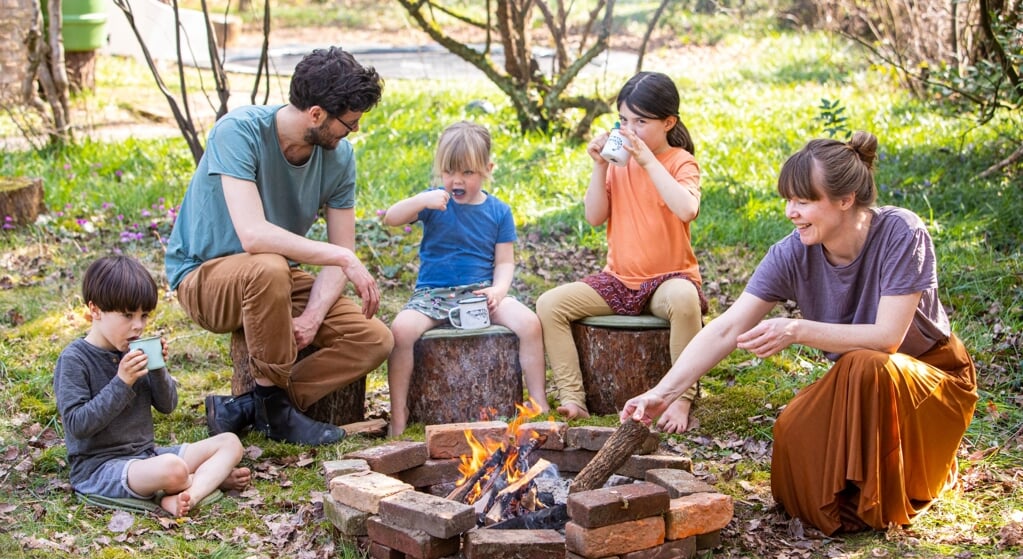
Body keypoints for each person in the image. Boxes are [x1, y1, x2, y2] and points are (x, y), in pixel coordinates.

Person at [622, 131, 978, 535]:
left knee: (866, 364)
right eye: (788, 200)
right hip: (860, 383)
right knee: (791, 431)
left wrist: (795, 329)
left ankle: (914, 471)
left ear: (845, 200)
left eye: (804, 201)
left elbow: (886, 339)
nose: (791, 212)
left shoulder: (901, 233)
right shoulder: (792, 252)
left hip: (931, 381)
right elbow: (726, 328)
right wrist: (663, 393)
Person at [165, 47, 394, 446]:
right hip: (205, 278)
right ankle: (274, 407)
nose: (352, 132)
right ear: (317, 114)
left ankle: (259, 406)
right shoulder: (238, 132)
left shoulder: (339, 158)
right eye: (350, 123)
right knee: (269, 264)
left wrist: (312, 317)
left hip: (275, 280)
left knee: (375, 339)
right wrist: (341, 256)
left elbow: (340, 253)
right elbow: (254, 235)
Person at [535, 71, 707, 420]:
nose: (630, 129)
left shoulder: (680, 162)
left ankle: (681, 397)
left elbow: (687, 208)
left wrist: (648, 161)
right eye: (624, 120)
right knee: (550, 304)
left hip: (668, 280)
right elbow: (595, 216)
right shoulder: (618, 164)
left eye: (641, 122)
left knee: (685, 299)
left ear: (668, 122)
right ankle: (573, 399)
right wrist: (599, 167)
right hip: (618, 280)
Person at [382, 121, 548, 436]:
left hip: (480, 293)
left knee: (530, 324)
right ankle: (399, 412)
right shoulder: (434, 202)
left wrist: (499, 290)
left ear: (487, 169)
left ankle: (538, 402)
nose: (456, 180)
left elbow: (505, 261)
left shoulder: (498, 211)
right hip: (434, 293)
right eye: (448, 172)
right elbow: (391, 218)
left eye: (467, 173)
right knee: (401, 331)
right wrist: (421, 200)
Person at [54, 255, 251, 517]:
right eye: (127, 315)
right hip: (100, 468)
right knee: (173, 468)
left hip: (147, 456)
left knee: (230, 443)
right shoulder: (74, 359)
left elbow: (167, 406)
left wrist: (158, 368)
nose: (138, 325)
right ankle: (200, 480)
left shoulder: (133, 351)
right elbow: (78, 425)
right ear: (95, 310)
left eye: (143, 315)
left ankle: (187, 494)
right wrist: (122, 382)